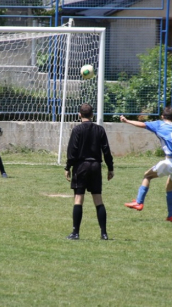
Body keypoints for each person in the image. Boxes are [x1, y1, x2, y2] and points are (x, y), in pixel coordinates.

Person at [121, 106, 172, 222]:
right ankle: (170, 216)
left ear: (162, 116)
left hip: (170, 161)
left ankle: (139, 202)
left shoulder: (159, 124)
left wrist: (127, 121)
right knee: (169, 188)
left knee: (147, 176)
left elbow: (142, 125)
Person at [64, 103, 114, 240]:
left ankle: (75, 233)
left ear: (79, 115)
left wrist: (67, 167)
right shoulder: (100, 130)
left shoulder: (77, 130)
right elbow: (106, 151)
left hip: (81, 166)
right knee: (98, 199)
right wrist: (110, 168)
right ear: (92, 115)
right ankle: (104, 233)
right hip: (96, 166)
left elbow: (72, 152)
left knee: (79, 198)